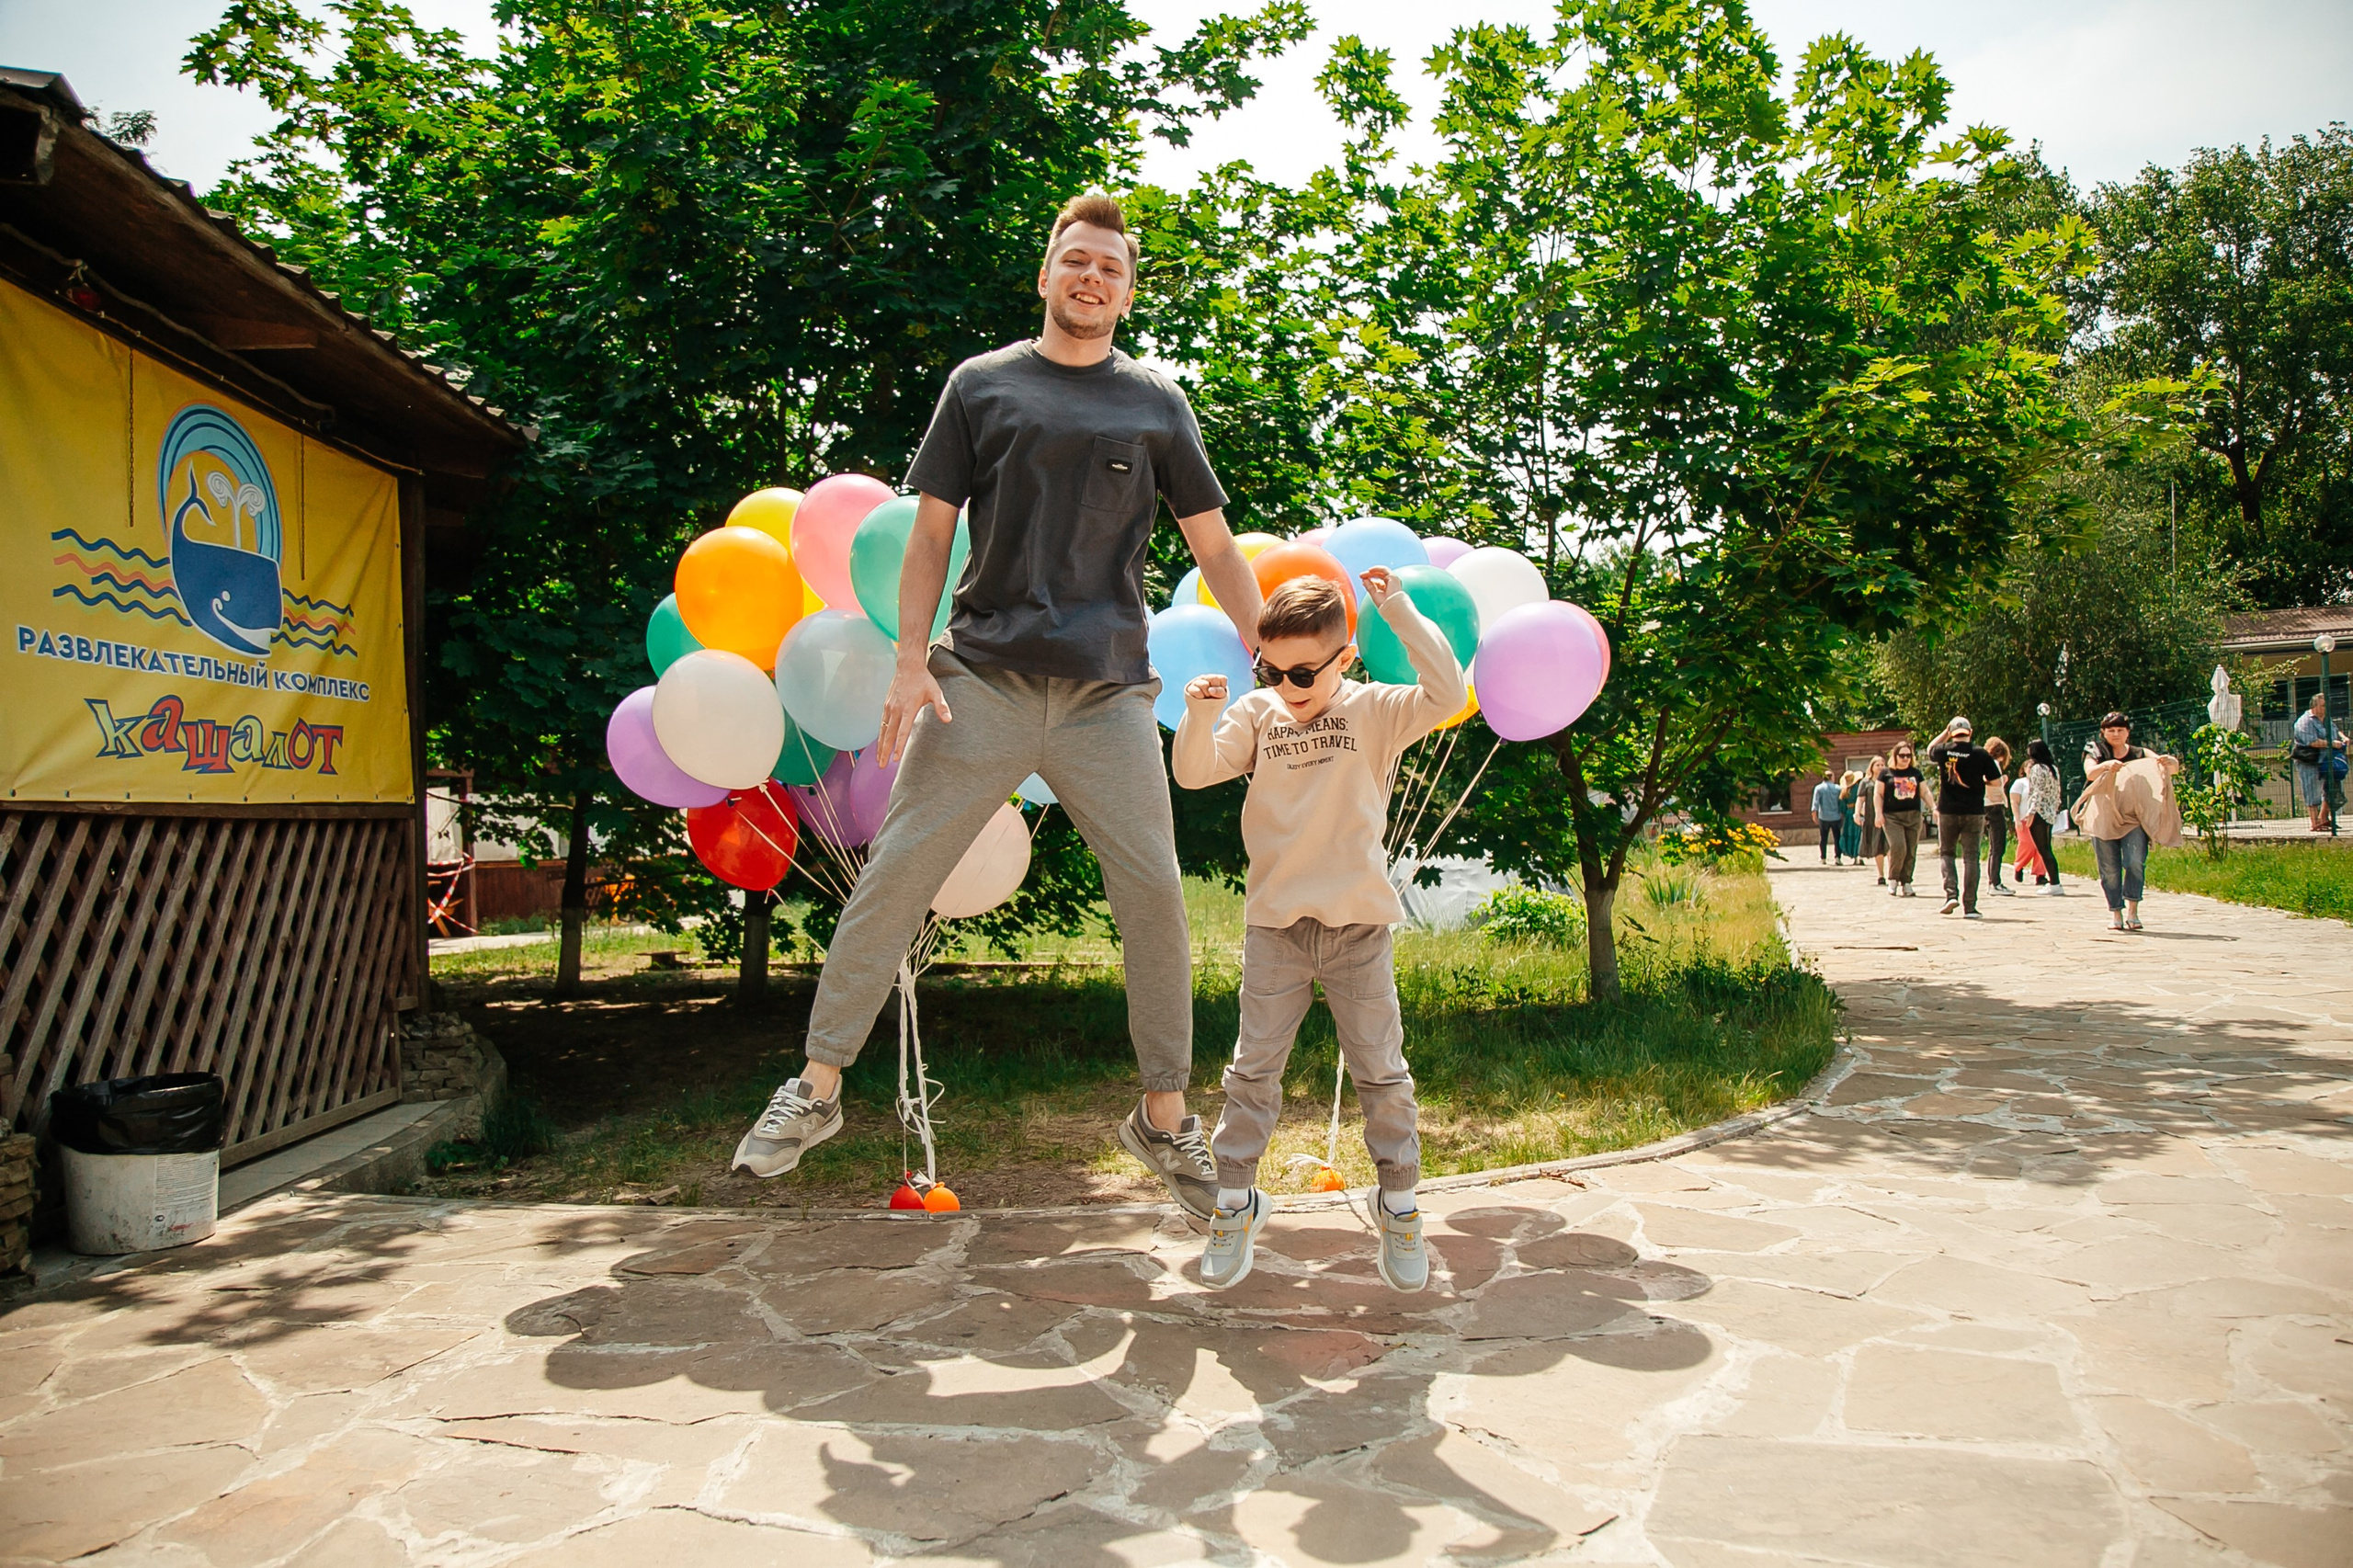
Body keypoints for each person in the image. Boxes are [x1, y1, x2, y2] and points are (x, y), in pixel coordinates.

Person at [730, 190, 1265, 1218]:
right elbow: (931, 531)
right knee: (897, 872)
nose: (1091, 277)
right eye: (1076, 259)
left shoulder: (1155, 403)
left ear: (1127, 290)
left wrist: (1271, 657)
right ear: (1047, 274)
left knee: (1154, 890)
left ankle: (1163, 1118)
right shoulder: (981, 386)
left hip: (1108, 692)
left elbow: (1215, 545)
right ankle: (817, 1087)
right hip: (981, 676)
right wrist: (905, 658)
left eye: (1110, 266)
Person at [1173, 569, 1466, 1293]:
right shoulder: (1259, 713)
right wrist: (1201, 714)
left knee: (1382, 1074)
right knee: (1251, 1074)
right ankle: (1236, 1202)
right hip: (1275, 926)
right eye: (1270, 667)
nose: (1286, 681)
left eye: (1303, 669)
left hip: (1359, 928)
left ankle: (1398, 1203)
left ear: (1344, 658)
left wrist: (1395, 607)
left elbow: (1449, 693)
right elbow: (1193, 773)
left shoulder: (1374, 711)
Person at [2079, 711, 2182, 930]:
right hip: (2103, 817)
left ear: (2127, 732)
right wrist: (2107, 766)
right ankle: (2116, 913)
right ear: (2103, 733)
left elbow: (2167, 768)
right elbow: (2090, 773)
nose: (2115, 734)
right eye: (2111, 730)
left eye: (2120, 730)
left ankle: (2133, 911)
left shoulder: (2140, 753)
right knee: (2109, 869)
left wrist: (2171, 762)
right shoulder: (2096, 751)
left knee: (2135, 861)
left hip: (2134, 817)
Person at [1927, 717, 2003, 918]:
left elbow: (1930, 749)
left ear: (1951, 733)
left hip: (1948, 811)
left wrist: (1945, 732)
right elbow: (1997, 782)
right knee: (1971, 857)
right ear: (1971, 731)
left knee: (1947, 853)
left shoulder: (1944, 751)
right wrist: (1980, 783)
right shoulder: (1981, 754)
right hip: (1973, 811)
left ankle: (1951, 894)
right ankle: (1970, 906)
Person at [2291, 691, 2347, 833]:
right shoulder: (2305, 721)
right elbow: (2312, 742)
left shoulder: (2325, 719)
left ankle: (2324, 817)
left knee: (2331, 786)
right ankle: (2314, 822)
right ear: (2314, 706)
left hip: (2327, 758)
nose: (2325, 708)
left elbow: (2336, 730)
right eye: (2323, 706)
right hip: (2310, 759)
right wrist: (2333, 744)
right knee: (2312, 789)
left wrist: (2343, 738)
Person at [1876, 743, 1926, 896]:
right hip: (1892, 817)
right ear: (1895, 756)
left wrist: (1934, 808)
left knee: (1911, 849)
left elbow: (1925, 792)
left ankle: (1907, 882)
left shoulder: (1916, 773)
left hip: (1913, 816)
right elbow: (1878, 794)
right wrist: (1879, 813)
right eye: (1902, 755)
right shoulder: (1886, 773)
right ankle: (1893, 879)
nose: (1905, 758)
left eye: (1908, 755)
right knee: (1898, 847)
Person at [2022, 737, 2064, 895]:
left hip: (2039, 812)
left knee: (2043, 849)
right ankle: (2054, 881)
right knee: (2047, 848)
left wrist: (2031, 813)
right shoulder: (2052, 768)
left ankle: (2054, 883)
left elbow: (2036, 792)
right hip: (2050, 811)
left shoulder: (2037, 768)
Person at [1981, 738, 2015, 897]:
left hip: (1986, 805)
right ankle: (1994, 882)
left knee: (1995, 847)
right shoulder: (1993, 764)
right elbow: (1988, 781)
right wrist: (2003, 781)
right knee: (1998, 846)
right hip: (1994, 806)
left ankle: (1994, 881)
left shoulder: (1983, 763)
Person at [1859, 756, 1888, 884]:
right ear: (1872, 767)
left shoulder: (1889, 780)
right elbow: (1860, 799)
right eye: (1878, 765)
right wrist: (1856, 813)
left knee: (1891, 846)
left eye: (1882, 764)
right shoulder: (1866, 782)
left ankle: (1894, 874)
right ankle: (1881, 874)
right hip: (1872, 817)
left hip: (1888, 815)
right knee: (1878, 847)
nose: (1881, 767)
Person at [1810, 773, 1845, 864]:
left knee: (1823, 838)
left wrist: (1814, 814)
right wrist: (1842, 813)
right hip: (1836, 816)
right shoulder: (1838, 788)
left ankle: (1823, 857)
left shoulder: (1819, 788)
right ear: (1832, 777)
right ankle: (1837, 857)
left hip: (1824, 816)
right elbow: (1841, 802)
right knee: (1837, 838)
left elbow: (1815, 802)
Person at [1836, 770, 1865, 862]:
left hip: (1848, 815)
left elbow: (1842, 806)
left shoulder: (1844, 791)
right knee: (1858, 834)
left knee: (1850, 835)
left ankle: (1854, 857)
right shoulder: (1858, 788)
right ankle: (1859, 856)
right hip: (1857, 812)